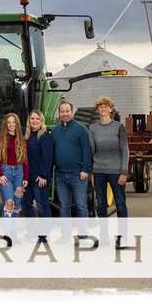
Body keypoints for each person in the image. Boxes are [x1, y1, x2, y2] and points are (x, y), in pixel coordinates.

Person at [89, 96, 129, 248]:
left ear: (111, 109)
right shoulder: (93, 128)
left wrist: (123, 172)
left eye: (106, 106)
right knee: (101, 206)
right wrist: (92, 172)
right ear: (97, 110)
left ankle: (122, 237)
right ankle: (104, 237)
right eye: (100, 107)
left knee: (120, 205)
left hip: (116, 172)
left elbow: (125, 150)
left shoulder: (119, 127)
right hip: (99, 172)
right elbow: (92, 151)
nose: (103, 109)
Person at [51, 100, 93, 243]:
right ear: (59, 114)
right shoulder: (55, 131)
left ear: (72, 112)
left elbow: (87, 151)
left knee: (81, 205)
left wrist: (85, 169)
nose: (65, 114)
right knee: (64, 206)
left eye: (67, 111)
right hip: (60, 174)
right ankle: (65, 235)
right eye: (62, 111)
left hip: (78, 175)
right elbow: (52, 152)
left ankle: (82, 235)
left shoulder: (81, 129)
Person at [0, 112, 29, 242]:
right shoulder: (0, 138)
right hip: (6, 172)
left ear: (17, 124)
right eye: (9, 122)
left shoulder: (22, 139)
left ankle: (13, 234)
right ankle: (7, 235)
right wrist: (0, 174)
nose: (11, 124)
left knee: (16, 206)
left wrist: (26, 177)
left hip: (19, 173)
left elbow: (25, 159)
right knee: (8, 204)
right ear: (5, 124)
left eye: (13, 122)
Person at [22, 109, 53, 243]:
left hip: (39, 176)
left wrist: (43, 175)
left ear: (42, 121)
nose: (34, 121)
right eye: (32, 119)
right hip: (26, 176)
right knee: (25, 204)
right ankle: (32, 232)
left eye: (37, 119)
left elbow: (48, 158)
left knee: (42, 205)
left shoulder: (44, 136)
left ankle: (44, 234)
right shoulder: (26, 135)